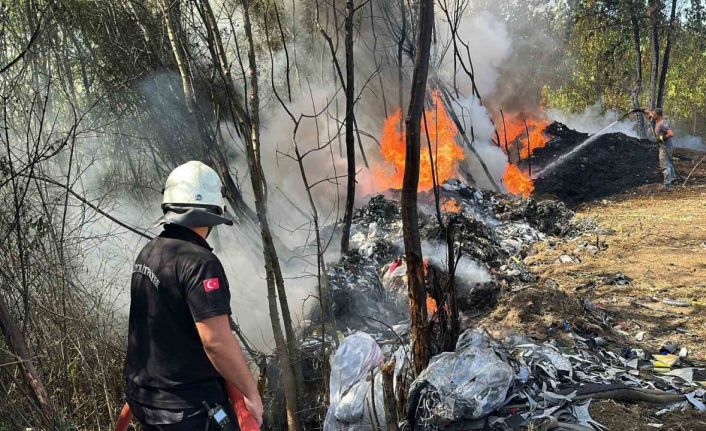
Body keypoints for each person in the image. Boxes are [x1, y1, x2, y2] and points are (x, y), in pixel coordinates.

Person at [118, 161, 263, 430]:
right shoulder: (200, 263)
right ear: (210, 214)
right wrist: (251, 395)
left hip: (145, 400)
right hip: (187, 410)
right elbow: (216, 342)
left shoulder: (150, 251)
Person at [646, 108, 676, 188]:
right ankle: (672, 178)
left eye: (654, 115)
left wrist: (660, 138)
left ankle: (667, 184)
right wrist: (647, 113)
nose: (653, 116)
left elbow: (671, 134)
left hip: (665, 147)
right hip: (665, 146)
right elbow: (650, 114)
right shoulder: (657, 120)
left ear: (658, 115)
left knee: (664, 164)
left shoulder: (663, 123)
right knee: (669, 162)